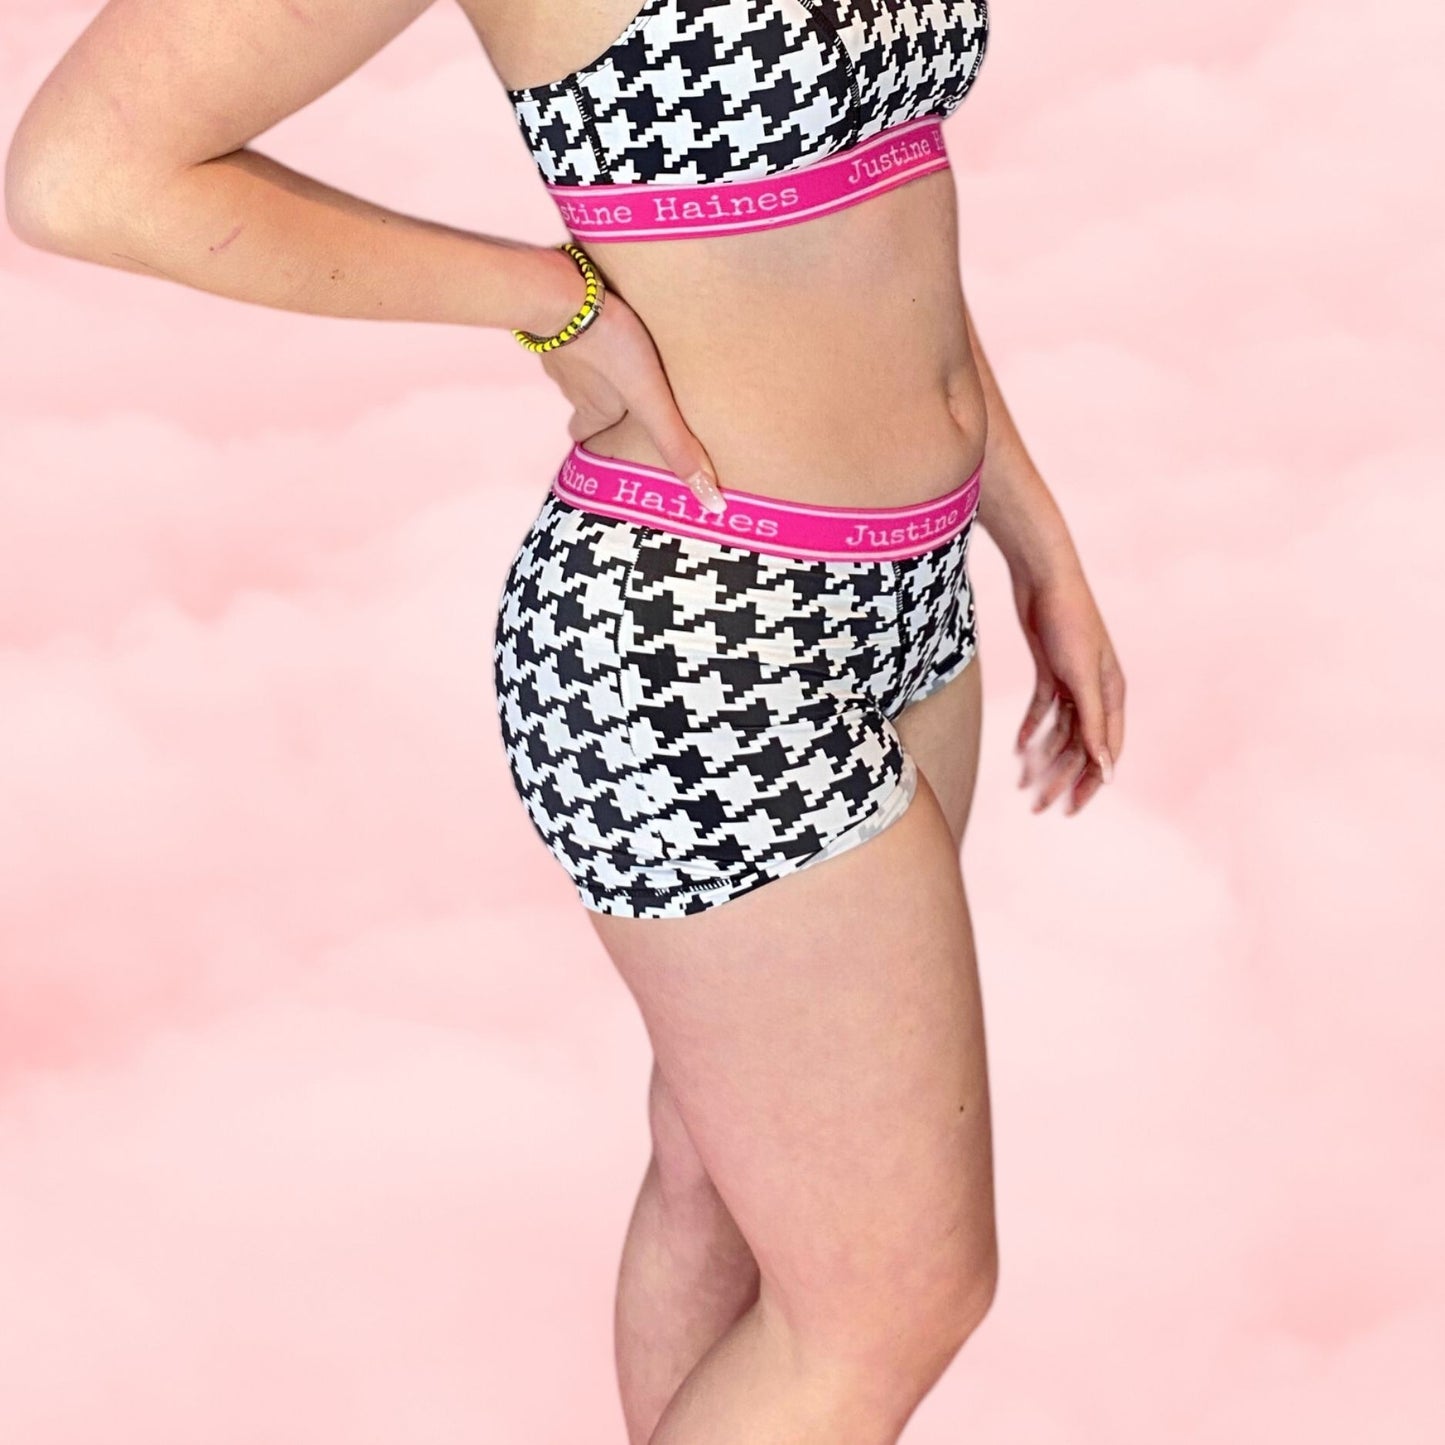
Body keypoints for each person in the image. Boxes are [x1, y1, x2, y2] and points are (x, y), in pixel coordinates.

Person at [5, 1, 1126, 1440]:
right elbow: (83, 175)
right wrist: (545, 297)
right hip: (700, 644)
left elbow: (875, 204)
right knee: (891, 1305)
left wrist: (1037, 539)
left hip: (910, 595)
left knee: (719, 1182)